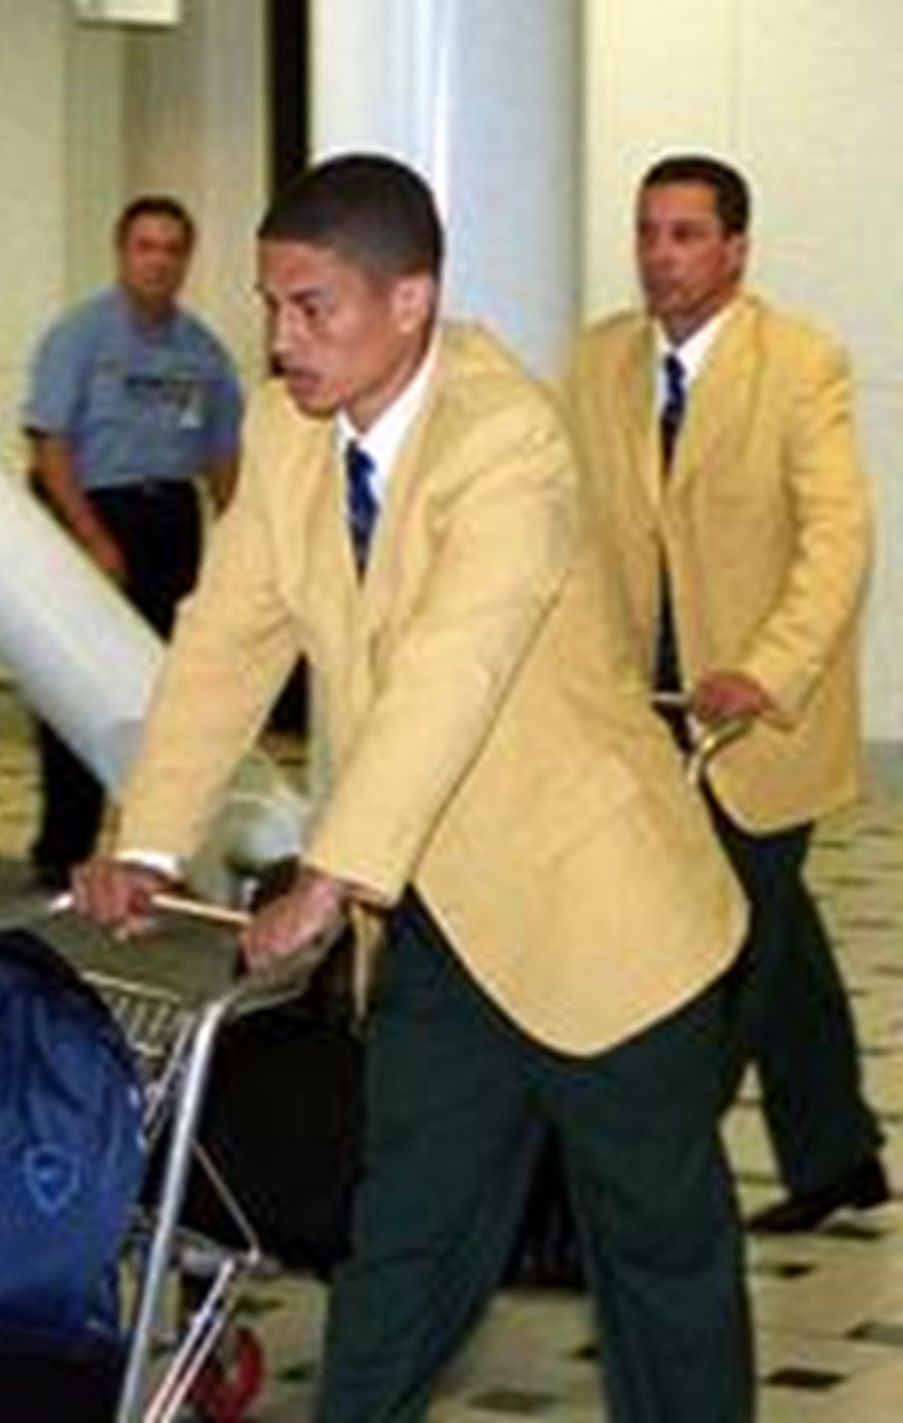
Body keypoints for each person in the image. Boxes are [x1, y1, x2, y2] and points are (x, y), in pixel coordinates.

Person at [71, 153, 754, 1420]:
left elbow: (455, 665)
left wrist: (326, 876)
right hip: (436, 914)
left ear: (410, 301)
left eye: (310, 307)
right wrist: (152, 842)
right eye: (270, 306)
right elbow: (227, 635)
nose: (280, 340)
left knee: (657, 1254)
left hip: (601, 910)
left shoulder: (511, 438)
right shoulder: (288, 430)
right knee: (407, 1238)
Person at [565, 153, 887, 1234]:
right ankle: (835, 1150)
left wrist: (770, 667)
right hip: (639, 714)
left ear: (736, 249)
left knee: (724, 954)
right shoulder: (602, 361)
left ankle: (639, 1196)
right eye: (648, 232)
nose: (660, 255)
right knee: (775, 933)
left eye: (686, 234)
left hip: (754, 722)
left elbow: (838, 539)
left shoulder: (799, 364)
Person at [22, 195, 243, 889]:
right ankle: (63, 848)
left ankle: (152, 849)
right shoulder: (79, 337)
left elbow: (221, 457)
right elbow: (48, 443)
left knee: (166, 687)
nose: (159, 260)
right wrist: (90, 537)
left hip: (168, 517)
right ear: (122, 253)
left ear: (186, 260)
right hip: (87, 507)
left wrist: (239, 547)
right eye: (145, 246)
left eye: (172, 248)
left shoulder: (201, 352)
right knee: (71, 680)